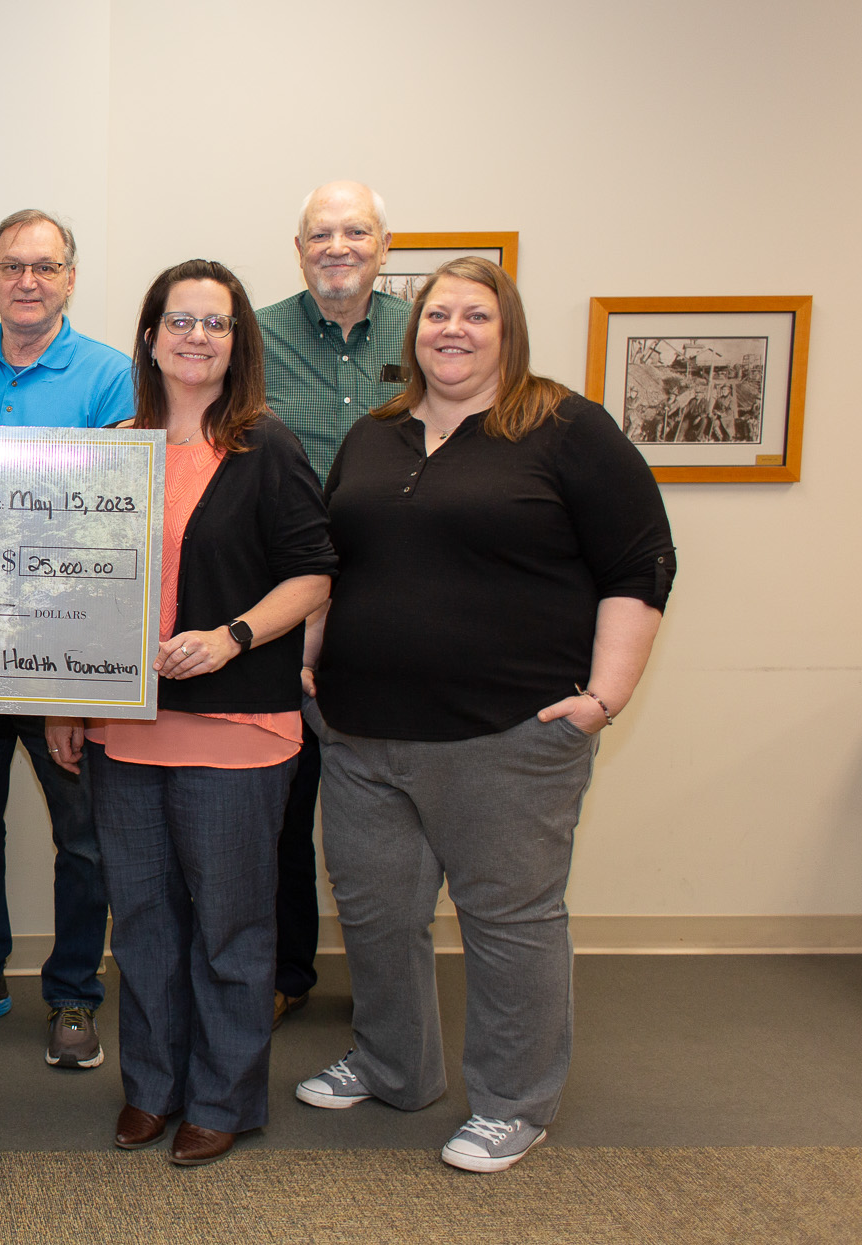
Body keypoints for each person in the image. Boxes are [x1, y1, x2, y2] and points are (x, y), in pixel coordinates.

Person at [294, 257, 676, 1174]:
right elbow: (335, 563)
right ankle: (395, 1065)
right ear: (413, 329)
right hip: (362, 731)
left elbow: (642, 562)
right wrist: (311, 657)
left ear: (509, 330)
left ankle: (514, 1101)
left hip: (507, 735)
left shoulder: (566, 428)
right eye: (437, 315)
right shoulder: (376, 434)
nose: (452, 330)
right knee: (377, 915)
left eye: (475, 315)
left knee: (510, 923)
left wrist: (604, 697)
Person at [47, 259, 334, 1167]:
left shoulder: (267, 447)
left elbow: (314, 575)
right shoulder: (117, 445)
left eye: (216, 323)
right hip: (125, 729)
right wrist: (67, 701)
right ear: (150, 335)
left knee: (231, 928)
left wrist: (233, 636)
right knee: (142, 923)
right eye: (181, 321)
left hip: (235, 730)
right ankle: (152, 1087)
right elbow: (79, 585)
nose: (197, 337)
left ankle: (222, 1097)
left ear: (238, 340)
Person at [0, 208, 133, 1066]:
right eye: (12, 265)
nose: (28, 281)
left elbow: (115, 528)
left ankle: (75, 992)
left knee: (83, 838)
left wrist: (76, 686)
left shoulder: (114, 378)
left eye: (45, 266)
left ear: (70, 279)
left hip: (64, 650)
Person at [255, 180, 410, 1029]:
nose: (338, 247)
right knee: (282, 801)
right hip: (282, 600)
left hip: (393, 602)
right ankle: (285, 971)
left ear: (383, 247)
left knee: (385, 807)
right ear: (299, 248)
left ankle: (388, 986)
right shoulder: (257, 336)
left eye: (356, 232)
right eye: (321, 233)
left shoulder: (421, 336)